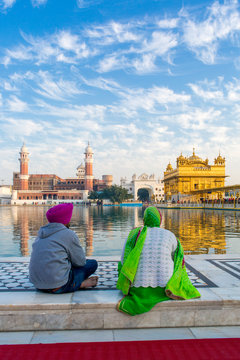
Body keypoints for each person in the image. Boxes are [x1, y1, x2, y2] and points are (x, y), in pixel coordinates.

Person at [117, 206, 200, 315]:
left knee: (122, 265)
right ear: (160, 220)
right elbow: (178, 260)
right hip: (166, 289)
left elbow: (124, 259)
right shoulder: (169, 235)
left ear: (144, 220)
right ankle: (169, 286)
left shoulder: (135, 234)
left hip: (138, 289)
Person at [29, 203, 98, 293]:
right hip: (58, 285)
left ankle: (68, 283)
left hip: (37, 284)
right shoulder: (68, 234)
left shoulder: (41, 233)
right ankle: (78, 284)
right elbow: (80, 262)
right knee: (92, 264)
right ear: (67, 219)